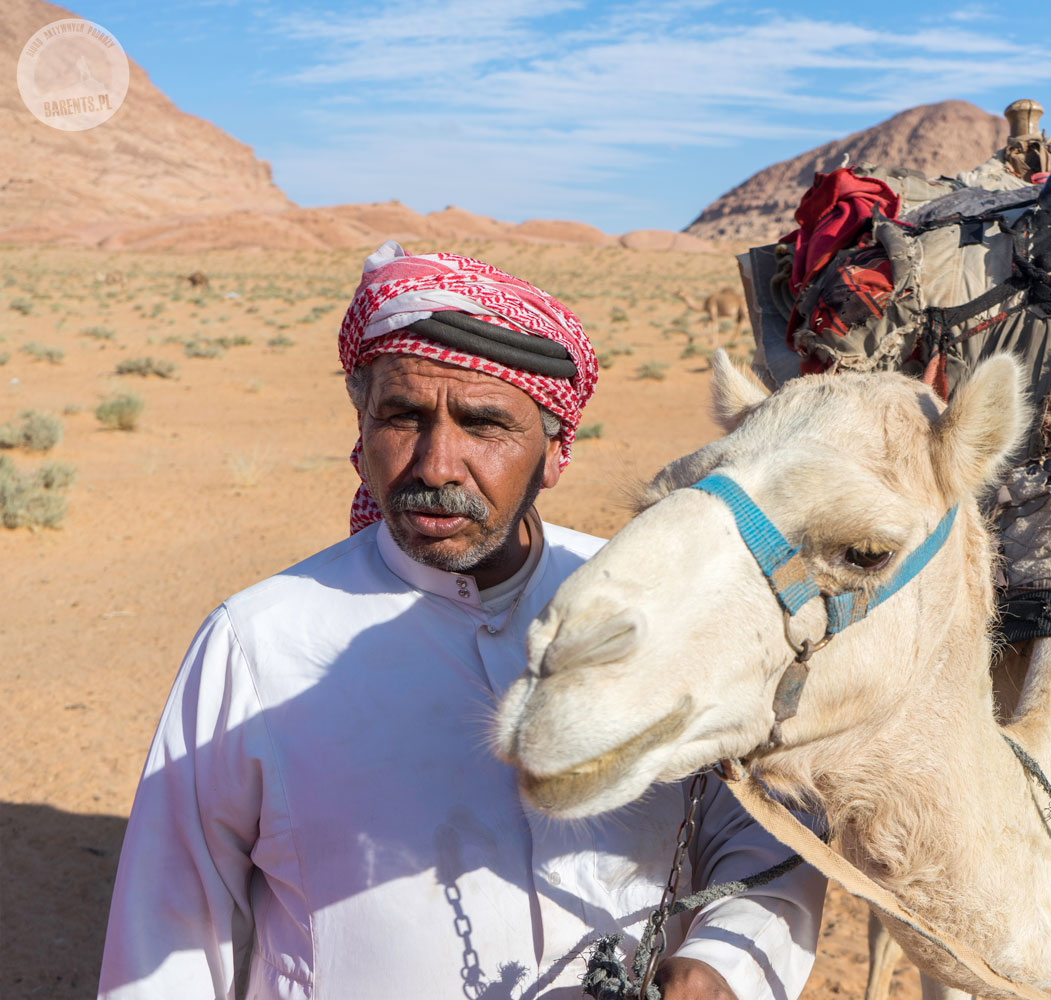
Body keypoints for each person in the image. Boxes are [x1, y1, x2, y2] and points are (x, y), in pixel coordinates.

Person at [98, 241, 826, 1000]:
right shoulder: (257, 643)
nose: (436, 465)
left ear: (553, 453)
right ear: (362, 429)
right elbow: (167, 931)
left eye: (483, 425)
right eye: (402, 417)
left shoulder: (652, 606)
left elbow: (763, 833)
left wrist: (722, 965)